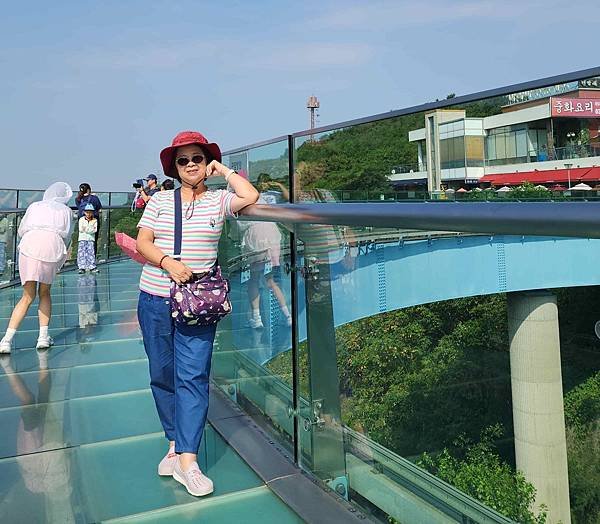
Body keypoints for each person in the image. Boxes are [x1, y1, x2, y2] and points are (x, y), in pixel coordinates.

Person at [135, 130, 259, 496]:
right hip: (155, 296)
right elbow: (143, 242)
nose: (191, 165)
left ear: (207, 163)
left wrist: (224, 170)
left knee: (192, 376)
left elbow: (250, 196)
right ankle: (174, 444)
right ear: (173, 167)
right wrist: (169, 263)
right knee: (162, 373)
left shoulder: (220, 201)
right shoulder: (159, 201)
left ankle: (188, 459)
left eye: (198, 159)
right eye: (183, 160)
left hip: (197, 303)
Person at [0, 182, 73, 353]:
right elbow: (67, 234)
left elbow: (21, 230)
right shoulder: (66, 211)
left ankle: (6, 340)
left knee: (27, 296)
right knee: (44, 292)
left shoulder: (35, 206)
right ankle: (43, 337)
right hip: (51, 246)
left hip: (30, 245)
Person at [241, 173, 291, 328]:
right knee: (271, 280)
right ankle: (288, 315)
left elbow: (239, 227)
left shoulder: (241, 199)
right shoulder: (266, 198)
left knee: (254, 279)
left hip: (256, 240)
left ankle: (257, 318)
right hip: (273, 236)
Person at [75, 183, 102, 255]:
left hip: (82, 222)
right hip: (93, 221)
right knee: (93, 241)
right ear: (89, 190)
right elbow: (99, 209)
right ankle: (92, 259)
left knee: (82, 241)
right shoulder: (94, 198)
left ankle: (83, 259)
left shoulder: (78, 199)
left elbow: (79, 208)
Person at [77, 203, 98, 273]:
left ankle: (92, 266)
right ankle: (81, 267)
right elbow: (80, 229)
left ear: (92, 213)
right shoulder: (81, 219)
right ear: (84, 212)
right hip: (82, 239)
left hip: (90, 239)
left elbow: (94, 230)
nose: (88, 214)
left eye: (90, 212)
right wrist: (90, 229)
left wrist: (86, 229)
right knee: (81, 253)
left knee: (91, 253)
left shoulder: (95, 220)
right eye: (87, 212)